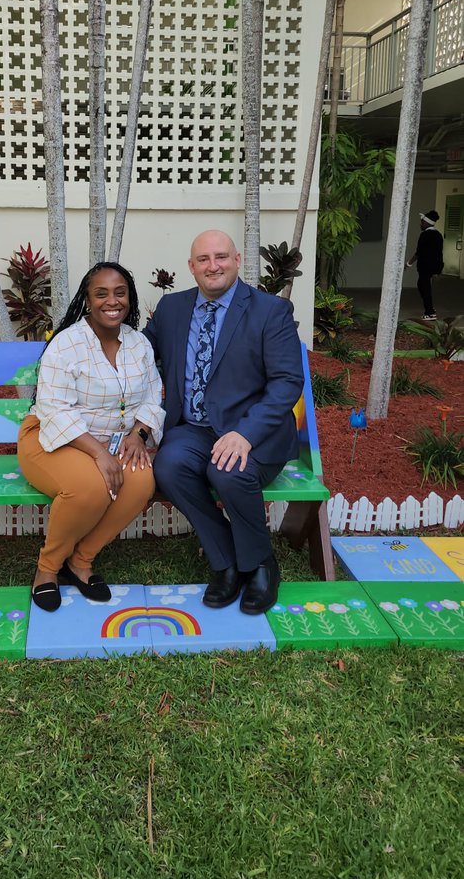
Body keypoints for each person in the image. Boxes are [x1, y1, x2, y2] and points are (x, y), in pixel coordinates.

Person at [143, 230, 303, 615]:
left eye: (220, 257)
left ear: (236, 259)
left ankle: (260, 563)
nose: (212, 266)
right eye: (203, 259)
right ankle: (226, 558)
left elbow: (287, 382)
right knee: (168, 465)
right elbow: (139, 352)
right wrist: (83, 339)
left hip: (254, 433)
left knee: (227, 471)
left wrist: (245, 434)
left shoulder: (270, 310)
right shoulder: (172, 309)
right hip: (194, 429)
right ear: (192, 267)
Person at [17, 262, 165, 612]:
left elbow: (152, 395)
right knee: (90, 486)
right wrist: (99, 454)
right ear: (87, 300)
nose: (111, 301)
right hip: (51, 439)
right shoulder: (67, 344)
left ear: (129, 298)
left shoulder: (138, 344)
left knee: (141, 481)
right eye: (101, 294)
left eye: (120, 292)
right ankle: (47, 569)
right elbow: (54, 409)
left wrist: (138, 435)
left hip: (114, 443)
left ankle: (81, 561)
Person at [405, 210, 444, 320]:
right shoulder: (438, 235)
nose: (420, 224)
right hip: (435, 265)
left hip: (425, 266)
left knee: (424, 287)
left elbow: (419, 252)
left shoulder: (425, 235)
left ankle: (430, 312)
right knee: (422, 285)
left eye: (422, 222)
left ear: (426, 223)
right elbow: (439, 252)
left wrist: (408, 264)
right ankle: (430, 307)